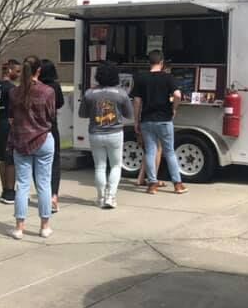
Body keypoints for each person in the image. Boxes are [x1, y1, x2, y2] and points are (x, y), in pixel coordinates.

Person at [8, 56, 56, 240]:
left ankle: (19, 227)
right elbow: (51, 115)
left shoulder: (14, 92)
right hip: (43, 138)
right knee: (44, 184)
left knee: (23, 185)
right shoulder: (47, 91)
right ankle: (45, 226)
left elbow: (12, 116)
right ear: (39, 71)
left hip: (21, 140)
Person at [132, 50, 186, 194]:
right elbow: (177, 95)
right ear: (161, 63)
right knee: (169, 152)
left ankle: (152, 184)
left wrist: (136, 120)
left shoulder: (141, 78)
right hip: (164, 120)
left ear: (149, 62)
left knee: (150, 151)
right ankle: (178, 184)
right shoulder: (168, 78)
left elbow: (137, 101)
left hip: (147, 120)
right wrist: (174, 108)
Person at [79, 63, 133, 208]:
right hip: (115, 133)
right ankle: (111, 197)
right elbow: (129, 114)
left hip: (95, 133)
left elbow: (82, 114)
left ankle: (101, 197)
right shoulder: (121, 93)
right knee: (115, 165)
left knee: (100, 167)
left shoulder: (89, 93)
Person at [39, 59, 65, 212]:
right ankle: (53, 195)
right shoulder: (55, 86)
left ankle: (44, 195)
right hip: (51, 126)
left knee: (39, 166)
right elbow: (60, 103)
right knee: (54, 163)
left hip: (35, 128)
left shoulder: (34, 86)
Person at [0, 59, 20, 204]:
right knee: (10, 159)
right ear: (9, 71)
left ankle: (4, 189)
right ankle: (10, 192)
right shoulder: (11, 88)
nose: (19, 74)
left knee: (3, 158)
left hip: (0, 121)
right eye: (17, 71)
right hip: (9, 122)